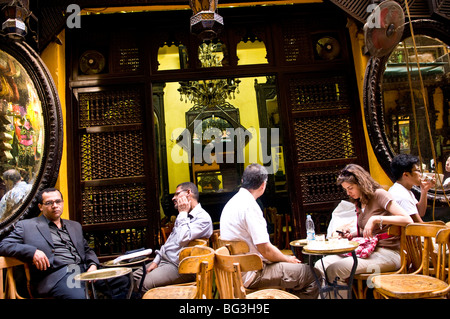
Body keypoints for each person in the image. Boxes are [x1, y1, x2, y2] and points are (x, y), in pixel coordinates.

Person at [220, 163, 319, 299]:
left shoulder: (231, 204)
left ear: (243, 181)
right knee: (313, 275)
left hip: (237, 272)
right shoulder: (250, 206)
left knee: (296, 272)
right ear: (263, 185)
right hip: (253, 274)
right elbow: (265, 249)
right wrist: (287, 259)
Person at [314, 164, 413, 296]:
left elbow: (407, 220)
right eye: (346, 189)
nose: (348, 193)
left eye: (350, 188)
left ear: (361, 183)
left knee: (335, 269)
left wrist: (375, 219)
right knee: (321, 265)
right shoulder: (361, 201)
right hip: (370, 251)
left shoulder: (379, 194)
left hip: (391, 253)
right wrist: (349, 234)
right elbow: (367, 232)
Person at [0, 188, 101, 298]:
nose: (55, 205)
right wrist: (32, 252)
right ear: (40, 207)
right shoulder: (26, 226)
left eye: (58, 201)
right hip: (59, 275)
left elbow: (87, 250)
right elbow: (3, 245)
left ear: (62, 203)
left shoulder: (74, 225)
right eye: (49, 203)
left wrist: (93, 265)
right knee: (79, 296)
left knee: (119, 282)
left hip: (85, 270)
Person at [133, 182, 213, 292]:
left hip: (180, 266)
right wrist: (156, 261)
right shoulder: (183, 216)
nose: (173, 198)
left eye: (177, 194)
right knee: (131, 278)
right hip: (165, 261)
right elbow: (169, 243)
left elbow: (182, 239)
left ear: (188, 193)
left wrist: (183, 213)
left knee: (141, 284)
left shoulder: (202, 218)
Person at [389, 154, 435, 222]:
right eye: (417, 171)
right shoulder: (401, 195)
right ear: (406, 174)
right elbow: (419, 225)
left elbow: (420, 212)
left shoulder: (403, 189)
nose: (421, 174)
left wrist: (424, 191)